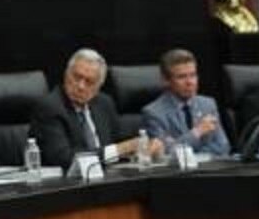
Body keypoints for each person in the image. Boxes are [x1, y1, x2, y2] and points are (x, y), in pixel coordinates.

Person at [29, 48, 163, 170]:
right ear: (66, 74)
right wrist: (121, 149)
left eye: (89, 82)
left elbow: (119, 140)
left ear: (99, 86)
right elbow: (63, 158)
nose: (81, 86)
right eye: (76, 77)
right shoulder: (49, 107)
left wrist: (145, 147)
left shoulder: (104, 103)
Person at [141, 48, 231, 156]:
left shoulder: (208, 104)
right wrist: (196, 132)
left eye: (193, 75)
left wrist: (193, 156)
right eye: (181, 77)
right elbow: (166, 153)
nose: (190, 82)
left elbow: (223, 146)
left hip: (209, 170)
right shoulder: (153, 113)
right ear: (166, 80)